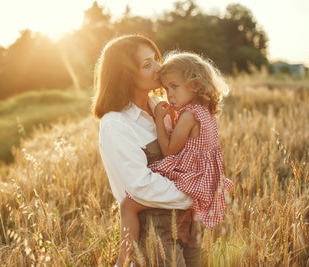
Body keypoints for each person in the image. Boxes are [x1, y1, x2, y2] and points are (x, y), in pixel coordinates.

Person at [92, 35, 202, 267]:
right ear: (125, 74)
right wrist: (194, 195)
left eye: (156, 59)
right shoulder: (116, 123)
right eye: (147, 64)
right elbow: (140, 185)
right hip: (152, 234)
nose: (158, 68)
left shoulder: (163, 108)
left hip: (186, 226)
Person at [117, 51, 234, 265]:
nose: (169, 95)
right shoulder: (204, 112)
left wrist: (160, 120)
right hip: (202, 176)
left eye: (174, 86)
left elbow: (170, 150)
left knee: (129, 206)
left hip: (188, 175)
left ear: (196, 84)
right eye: (166, 88)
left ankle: (123, 261)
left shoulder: (189, 115)